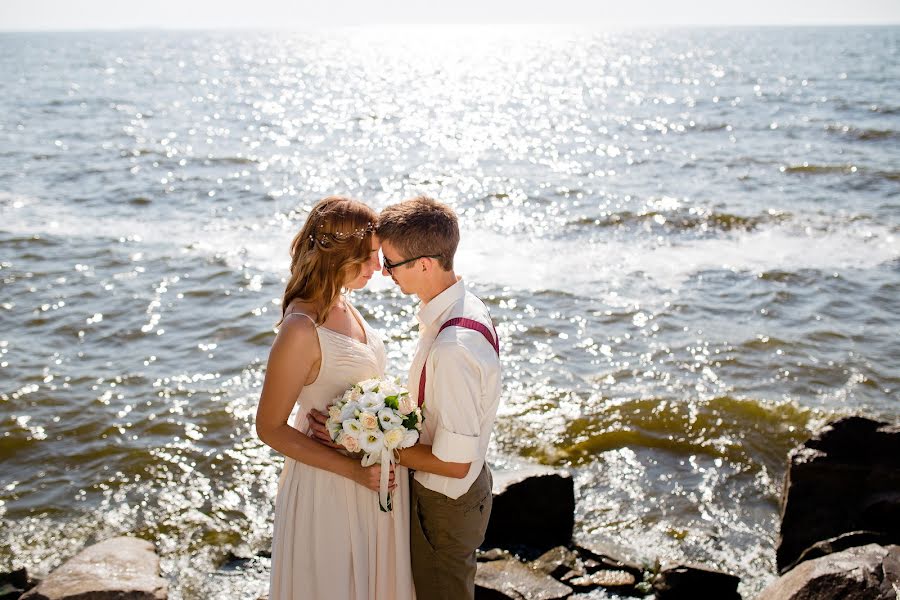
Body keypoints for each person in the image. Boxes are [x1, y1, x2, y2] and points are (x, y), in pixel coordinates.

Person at [309, 195, 502, 600]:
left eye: (391, 262)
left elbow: (453, 463)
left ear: (426, 264)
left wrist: (364, 442)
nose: (383, 271)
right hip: (460, 493)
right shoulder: (464, 309)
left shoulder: (453, 347)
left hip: (444, 503)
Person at [256, 196, 415, 600]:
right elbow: (269, 427)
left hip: (371, 477)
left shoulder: (343, 302)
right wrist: (355, 473)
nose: (378, 268)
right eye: (368, 257)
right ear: (335, 257)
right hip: (331, 484)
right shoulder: (300, 329)